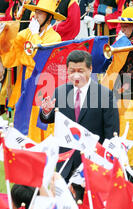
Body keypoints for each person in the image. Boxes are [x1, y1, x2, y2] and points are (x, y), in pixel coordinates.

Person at [40, 50, 120, 181]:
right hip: (65, 163)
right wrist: (46, 111)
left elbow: (112, 133)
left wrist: (106, 161)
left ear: (90, 69)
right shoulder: (60, 91)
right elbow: (47, 119)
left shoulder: (105, 95)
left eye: (81, 71)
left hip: (93, 164)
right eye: (72, 71)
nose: (76, 75)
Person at [0, 0, 63, 142]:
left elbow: (39, 57)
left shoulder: (55, 37)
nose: (35, 16)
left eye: (40, 13)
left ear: (49, 18)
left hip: (43, 86)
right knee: (22, 118)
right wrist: (6, 34)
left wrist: (33, 35)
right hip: (25, 82)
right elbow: (11, 58)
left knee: (39, 123)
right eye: (35, 12)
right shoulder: (29, 32)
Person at [102, 7, 133, 168]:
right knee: (120, 126)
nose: (122, 28)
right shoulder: (123, 41)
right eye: (121, 25)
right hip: (120, 91)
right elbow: (107, 65)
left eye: (126, 26)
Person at [0, 0, 38, 115]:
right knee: (9, 82)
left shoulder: (32, 9)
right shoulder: (13, 7)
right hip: (13, 52)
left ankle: (21, 108)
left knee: (22, 83)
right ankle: (10, 107)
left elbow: (33, 33)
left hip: (25, 54)